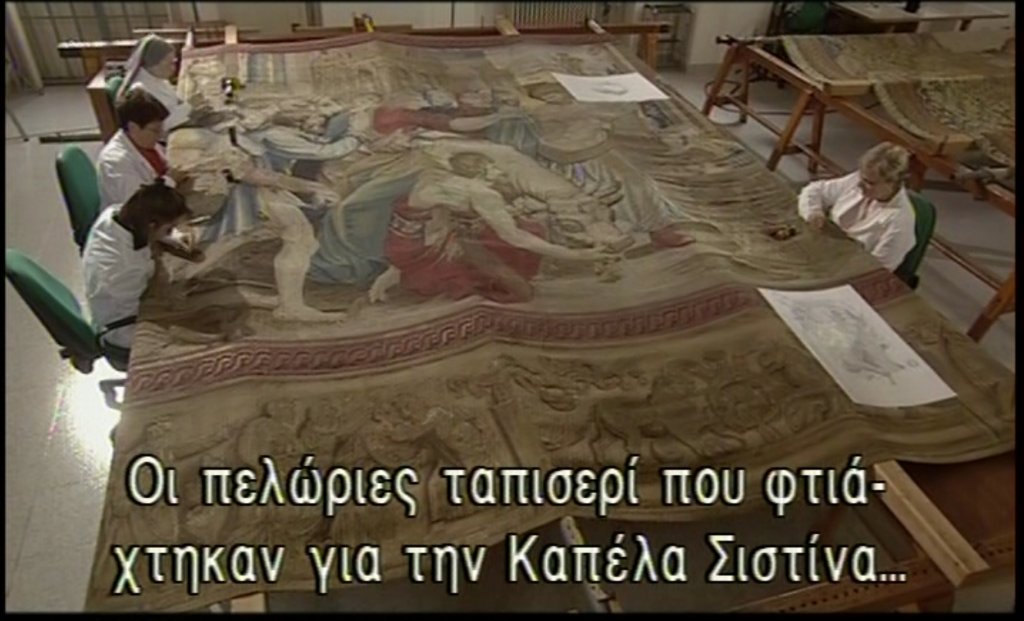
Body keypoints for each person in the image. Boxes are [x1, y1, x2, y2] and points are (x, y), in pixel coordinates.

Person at [82, 180, 203, 362]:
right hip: (123, 329)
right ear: (151, 226)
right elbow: (144, 306)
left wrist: (172, 237)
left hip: (123, 300)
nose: (172, 231)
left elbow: (146, 229)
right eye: (169, 228)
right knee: (200, 328)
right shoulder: (126, 268)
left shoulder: (115, 213)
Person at [798, 142, 917, 271]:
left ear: (892, 182)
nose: (859, 185)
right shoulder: (859, 180)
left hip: (849, 267)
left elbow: (876, 269)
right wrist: (814, 212)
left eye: (870, 183)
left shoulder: (900, 222)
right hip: (827, 247)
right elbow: (814, 190)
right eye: (862, 178)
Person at [97, 87, 185, 210]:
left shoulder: (143, 141)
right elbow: (140, 205)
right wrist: (170, 180)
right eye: (155, 130)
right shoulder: (115, 162)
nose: (160, 135)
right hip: (140, 217)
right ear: (133, 127)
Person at [117, 34, 191, 131]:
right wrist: (188, 108)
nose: (174, 68)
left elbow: (173, 99)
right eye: (170, 63)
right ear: (154, 63)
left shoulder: (155, 77)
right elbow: (156, 127)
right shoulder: (140, 92)